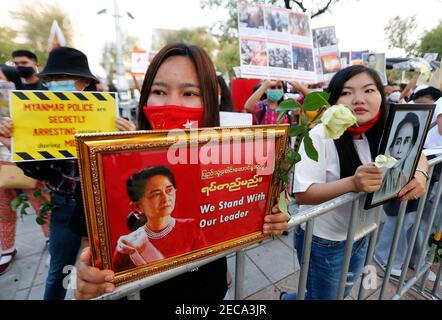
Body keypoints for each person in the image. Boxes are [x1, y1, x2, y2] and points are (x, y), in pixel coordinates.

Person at [75, 43, 289, 300]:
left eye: (189, 93)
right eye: (159, 91)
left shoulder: (228, 160)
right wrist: (87, 279)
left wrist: (271, 216)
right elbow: (90, 248)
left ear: (209, 101)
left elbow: (240, 218)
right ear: (145, 98)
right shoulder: (105, 164)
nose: (173, 104)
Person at [283, 65, 428, 300]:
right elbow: (303, 194)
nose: (358, 99)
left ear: (381, 95)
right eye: (346, 92)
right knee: (325, 297)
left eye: (369, 90)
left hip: (363, 233)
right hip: (325, 240)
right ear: (332, 100)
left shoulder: (386, 128)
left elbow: (418, 150)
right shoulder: (320, 135)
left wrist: (421, 172)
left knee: (342, 292)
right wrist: (353, 183)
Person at [0, 47, 134, 298]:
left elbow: (122, 166)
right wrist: (16, 143)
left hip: (101, 205)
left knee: (106, 269)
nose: (62, 84)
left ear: (85, 82)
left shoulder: (104, 112)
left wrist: (127, 137)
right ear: (46, 82)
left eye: (70, 78)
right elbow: (35, 172)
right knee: (59, 270)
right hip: (65, 204)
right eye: (54, 79)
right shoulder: (35, 114)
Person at [0, 65, 50, 275]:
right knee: (3, 209)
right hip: (1, 163)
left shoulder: (25, 104)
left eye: (1, 80)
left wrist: (10, 137)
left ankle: (51, 241)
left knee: (42, 205)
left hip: (26, 162)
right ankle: (7, 249)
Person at [113, 166, 208, 272]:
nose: (166, 197)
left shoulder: (190, 227)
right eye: (156, 194)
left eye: (169, 190)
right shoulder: (128, 244)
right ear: (137, 207)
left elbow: (205, 264)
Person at [375, 112, 421, 202]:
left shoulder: (405, 179)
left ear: (410, 148)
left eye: (406, 142)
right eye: (398, 142)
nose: (400, 149)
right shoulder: (380, 181)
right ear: (391, 147)